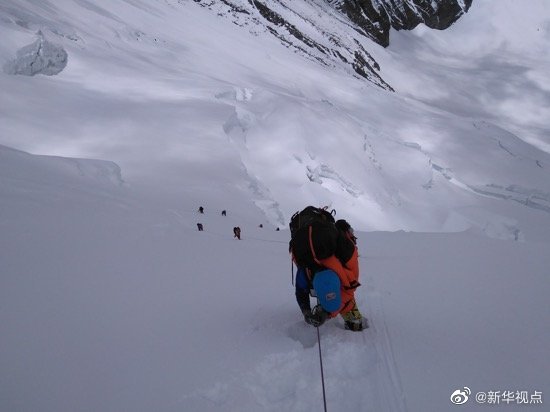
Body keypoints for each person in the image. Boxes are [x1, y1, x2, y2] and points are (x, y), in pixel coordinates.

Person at [292, 216, 365, 331]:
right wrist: (306, 311)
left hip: (337, 260)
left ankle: (352, 321)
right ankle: (354, 323)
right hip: (320, 257)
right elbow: (301, 290)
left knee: (337, 296)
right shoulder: (305, 268)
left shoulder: (347, 259)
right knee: (330, 291)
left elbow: (349, 291)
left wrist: (327, 313)